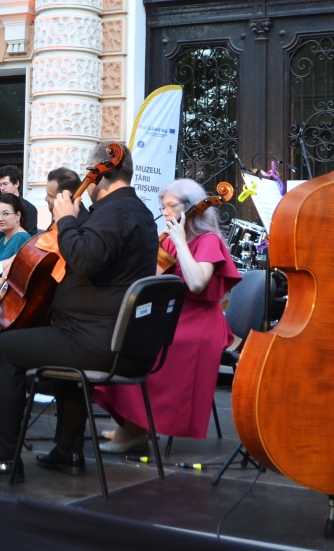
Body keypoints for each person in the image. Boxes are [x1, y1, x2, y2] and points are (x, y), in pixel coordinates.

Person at [0, 142, 158, 479]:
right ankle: (68, 450)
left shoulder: (113, 213)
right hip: (116, 339)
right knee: (57, 342)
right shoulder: (137, 211)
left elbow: (85, 259)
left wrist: (66, 220)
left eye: (89, 175)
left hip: (96, 340)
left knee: (4, 349)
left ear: (100, 174)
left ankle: (2, 456)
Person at [97, 179, 239, 455]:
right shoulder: (175, 240)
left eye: (171, 206)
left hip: (198, 324)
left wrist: (180, 242)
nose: (166, 212)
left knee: (138, 350)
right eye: (163, 207)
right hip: (176, 317)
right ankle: (134, 424)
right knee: (123, 338)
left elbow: (197, 283)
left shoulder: (206, 240)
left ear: (192, 207)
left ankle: (136, 429)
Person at [0, 166, 40, 233]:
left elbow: (31, 238)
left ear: (16, 183)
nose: (2, 188)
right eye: (0, 185)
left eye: (5, 184)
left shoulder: (29, 208)